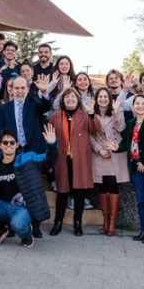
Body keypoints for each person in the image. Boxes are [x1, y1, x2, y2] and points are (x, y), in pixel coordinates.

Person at [0, 126, 59, 248]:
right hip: (3, 206)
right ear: (0, 145)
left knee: (17, 224)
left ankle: (27, 234)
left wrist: (52, 144)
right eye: (5, 142)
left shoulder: (28, 158)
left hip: (23, 208)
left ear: (17, 144)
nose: (8, 145)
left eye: (12, 142)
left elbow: (48, 160)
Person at [103, 95, 144, 244]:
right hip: (135, 167)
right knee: (141, 200)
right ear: (133, 106)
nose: (140, 106)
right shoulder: (131, 123)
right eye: (137, 103)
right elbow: (127, 144)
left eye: (143, 103)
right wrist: (118, 148)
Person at [49, 87, 101, 236]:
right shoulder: (55, 116)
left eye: (72, 97)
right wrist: (50, 161)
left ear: (77, 100)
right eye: (66, 97)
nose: (70, 99)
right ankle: (57, 222)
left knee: (79, 193)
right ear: (62, 101)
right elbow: (49, 138)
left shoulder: (85, 114)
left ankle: (78, 222)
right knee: (62, 192)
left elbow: (96, 128)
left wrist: (91, 112)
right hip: (61, 160)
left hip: (80, 160)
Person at [89, 88, 127, 236]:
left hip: (115, 153)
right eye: (101, 96)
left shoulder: (118, 110)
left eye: (106, 96)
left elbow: (121, 127)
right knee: (102, 187)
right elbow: (89, 135)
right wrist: (99, 149)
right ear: (97, 98)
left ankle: (112, 222)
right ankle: (105, 221)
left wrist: (117, 110)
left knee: (113, 185)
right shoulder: (91, 113)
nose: (103, 99)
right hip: (99, 154)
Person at [0, 75, 52, 155]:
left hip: (34, 150)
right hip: (13, 153)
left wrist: (44, 91)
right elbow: (1, 132)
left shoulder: (34, 102)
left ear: (27, 89)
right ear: (12, 90)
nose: (20, 91)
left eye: (23, 88)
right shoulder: (4, 108)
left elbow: (46, 107)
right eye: (16, 88)